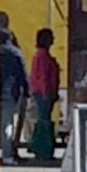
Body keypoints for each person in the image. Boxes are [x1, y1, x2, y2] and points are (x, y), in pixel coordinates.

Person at [0, 28, 29, 166]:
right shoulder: (16, 53)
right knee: (7, 124)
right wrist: (26, 91)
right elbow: (22, 73)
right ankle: (7, 155)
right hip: (11, 92)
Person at [29, 28, 60, 160]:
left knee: (43, 120)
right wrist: (46, 92)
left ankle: (40, 147)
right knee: (44, 121)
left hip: (44, 92)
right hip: (44, 93)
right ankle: (43, 148)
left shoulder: (41, 55)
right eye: (51, 37)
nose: (53, 39)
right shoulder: (42, 56)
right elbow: (43, 76)